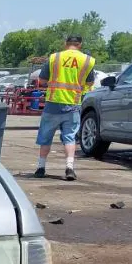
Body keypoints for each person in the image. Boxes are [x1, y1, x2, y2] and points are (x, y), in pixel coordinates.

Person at [34, 35, 96, 181]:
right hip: (73, 105)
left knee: (45, 137)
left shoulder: (55, 58)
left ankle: (41, 167)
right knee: (69, 137)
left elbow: (42, 80)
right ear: (80, 44)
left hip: (53, 103)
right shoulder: (87, 60)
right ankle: (69, 168)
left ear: (65, 44)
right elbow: (89, 83)